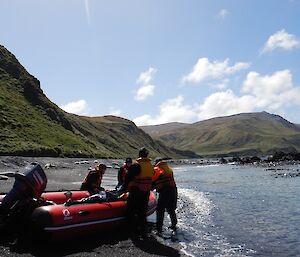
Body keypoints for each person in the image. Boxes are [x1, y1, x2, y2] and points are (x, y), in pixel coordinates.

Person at [122, 147, 154, 237]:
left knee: (131, 210)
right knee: (142, 211)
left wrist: (124, 190)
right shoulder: (150, 166)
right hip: (146, 191)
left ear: (139, 155)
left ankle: (131, 230)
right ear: (147, 155)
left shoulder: (136, 165)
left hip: (136, 191)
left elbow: (128, 178)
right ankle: (143, 231)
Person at [152, 157, 177, 234]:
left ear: (156, 163)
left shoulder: (157, 169)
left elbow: (152, 180)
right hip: (173, 190)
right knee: (171, 209)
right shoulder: (169, 168)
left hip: (164, 191)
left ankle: (159, 228)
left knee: (160, 210)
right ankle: (174, 225)